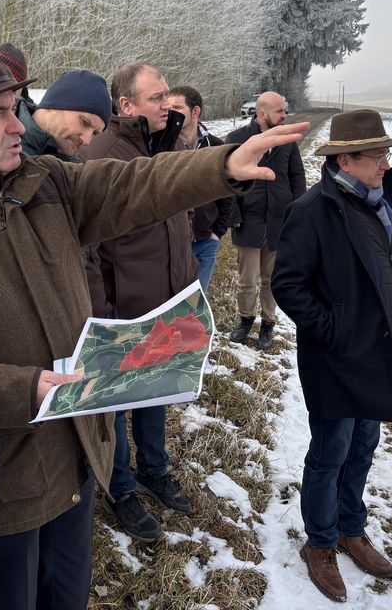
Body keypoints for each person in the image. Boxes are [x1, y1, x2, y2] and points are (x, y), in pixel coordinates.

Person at [0, 44, 307, 610]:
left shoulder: (46, 181)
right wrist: (26, 389)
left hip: (77, 458)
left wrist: (221, 166)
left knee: (68, 596)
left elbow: (134, 184)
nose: (18, 124)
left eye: (15, 106)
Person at [271, 110, 392, 604]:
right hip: (337, 357)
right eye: (377, 156)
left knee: (364, 446)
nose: (386, 164)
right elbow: (288, 285)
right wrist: (336, 330)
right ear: (345, 160)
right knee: (330, 452)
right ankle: (320, 542)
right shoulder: (312, 210)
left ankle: (351, 529)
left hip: (380, 352)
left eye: (386, 154)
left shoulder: (385, 202)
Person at [81, 62, 196, 542]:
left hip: (168, 303)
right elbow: (91, 248)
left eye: (167, 94)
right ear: (126, 105)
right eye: (156, 97)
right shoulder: (104, 157)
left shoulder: (165, 147)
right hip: (123, 312)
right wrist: (105, 312)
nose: (167, 104)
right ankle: (121, 488)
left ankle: (154, 470)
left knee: (157, 392)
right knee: (117, 405)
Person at [226, 90, 306, 348]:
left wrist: (297, 214)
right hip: (248, 221)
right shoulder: (237, 139)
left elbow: (297, 176)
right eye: (280, 111)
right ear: (262, 114)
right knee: (247, 280)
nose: (285, 115)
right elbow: (226, 181)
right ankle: (245, 320)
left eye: (285, 110)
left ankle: (268, 323)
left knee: (271, 279)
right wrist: (234, 214)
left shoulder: (287, 141)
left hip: (278, 222)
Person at [168, 85, 234, 293]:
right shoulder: (163, 147)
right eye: (168, 107)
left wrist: (217, 233)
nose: (170, 113)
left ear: (195, 111)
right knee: (173, 302)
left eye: (177, 107)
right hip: (175, 245)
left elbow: (227, 194)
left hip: (206, 241)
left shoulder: (215, 146)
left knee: (196, 303)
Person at [18, 69, 111, 160]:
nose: (87, 141)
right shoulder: (10, 153)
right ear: (55, 104)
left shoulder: (74, 168)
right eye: (84, 122)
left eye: (94, 133)